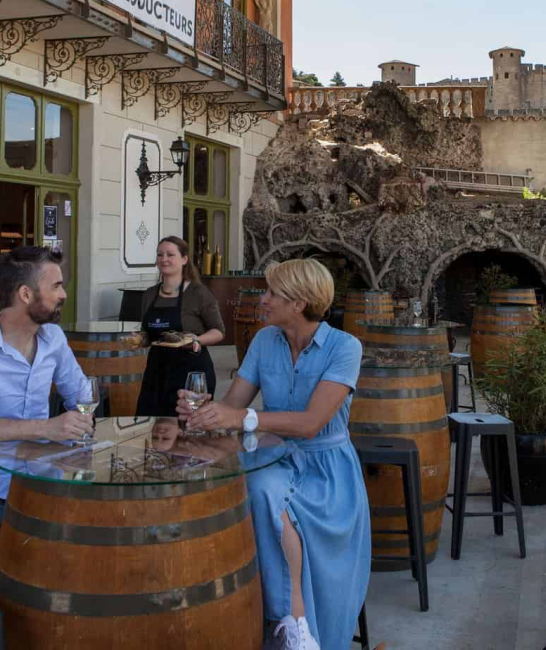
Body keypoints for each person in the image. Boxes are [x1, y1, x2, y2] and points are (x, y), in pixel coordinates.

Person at [177, 258, 371, 650]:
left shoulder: (345, 347)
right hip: (274, 458)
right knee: (257, 484)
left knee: (262, 487)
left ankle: (292, 625)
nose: (262, 300)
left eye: (271, 293)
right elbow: (234, 406)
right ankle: (293, 623)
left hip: (327, 472)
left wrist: (241, 417)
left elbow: (311, 423)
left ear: (298, 303)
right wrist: (205, 412)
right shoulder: (265, 341)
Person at [0, 246, 93, 552]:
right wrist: (47, 428)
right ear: (26, 294)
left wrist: (79, 420)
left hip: (48, 488)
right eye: (56, 286)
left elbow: (82, 396)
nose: (63, 294)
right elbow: (47, 427)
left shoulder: (54, 339)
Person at [136, 236, 225, 416]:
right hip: (156, 374)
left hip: (191, 374)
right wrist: (139, 339)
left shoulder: (198, 293)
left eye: (170, 254)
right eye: (160, 255)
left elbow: (219, 331)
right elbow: (149, 334)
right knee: (153, 428)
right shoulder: (149, 294)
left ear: (184, 259)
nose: (164, 259)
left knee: (189, 430)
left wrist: (196, 340)